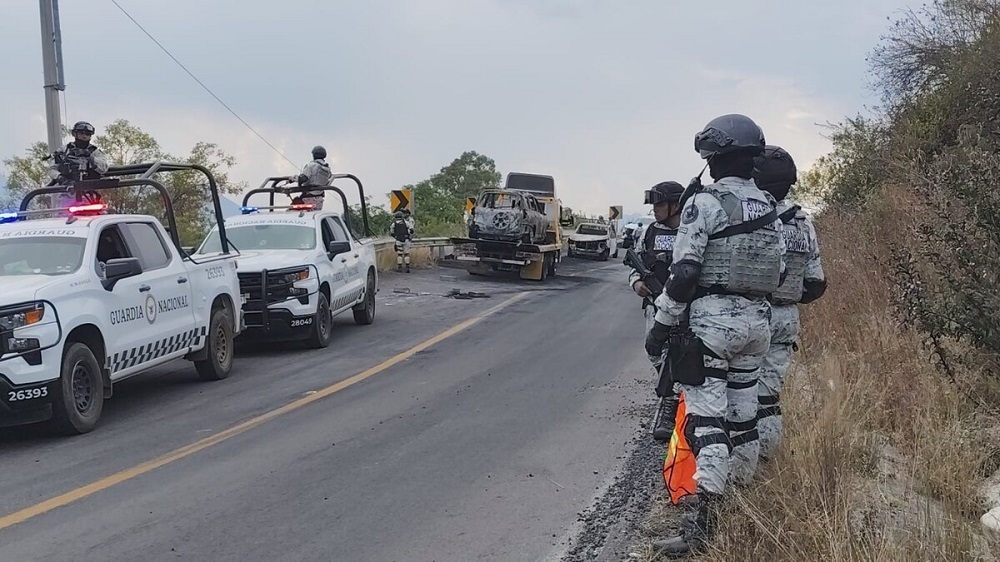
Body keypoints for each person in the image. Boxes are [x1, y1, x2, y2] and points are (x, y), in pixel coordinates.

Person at [646, 114, 786, 557]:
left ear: (714, 158)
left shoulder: (704, 204)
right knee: (743, 420)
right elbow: (781, 271)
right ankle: (740, 507)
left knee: (706, 424)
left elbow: (685, 273)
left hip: (712, 327)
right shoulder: (770, 206)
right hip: (758, 325)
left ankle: (704, 528)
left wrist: (661, 324)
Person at [751, 145, 827, 463]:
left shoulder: (752, 216)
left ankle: (739, 467)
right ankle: (766, 464)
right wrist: (789, 295)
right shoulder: (802, 222)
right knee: (768, 401)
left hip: (752, 314)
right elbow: (816, 283)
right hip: (786, 318)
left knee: (738, 396)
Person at [628, 181, 685, 442]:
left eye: (660, 204)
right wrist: (636, 283)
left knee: (684, 355)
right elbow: (636, 263)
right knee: (654, 351)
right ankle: (672, 391)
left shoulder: (692, 229)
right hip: (654, 306)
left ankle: (672, 405)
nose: (655, 209)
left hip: (685, 309)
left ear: (675, 205)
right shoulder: (650, 232)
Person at [47, 121, 110, 209]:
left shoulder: (95, 152)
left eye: (87, 134)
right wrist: (60, 178)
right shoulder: (64, 150)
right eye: (81, 133)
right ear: (74, 134)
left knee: (98, 216)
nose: (84, 136)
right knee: (62, 216)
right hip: (67, 195)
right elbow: (51, 169)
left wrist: (91, 158)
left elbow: (104, 168)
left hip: (89, 197)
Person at [297, 145, 333, 210]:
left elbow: (304, 178)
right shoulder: (327, 168)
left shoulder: (311, 165)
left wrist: (293, 179)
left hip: (307, 197)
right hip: (319, 199)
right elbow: (329, 177)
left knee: (291, 211)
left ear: (314, 155)